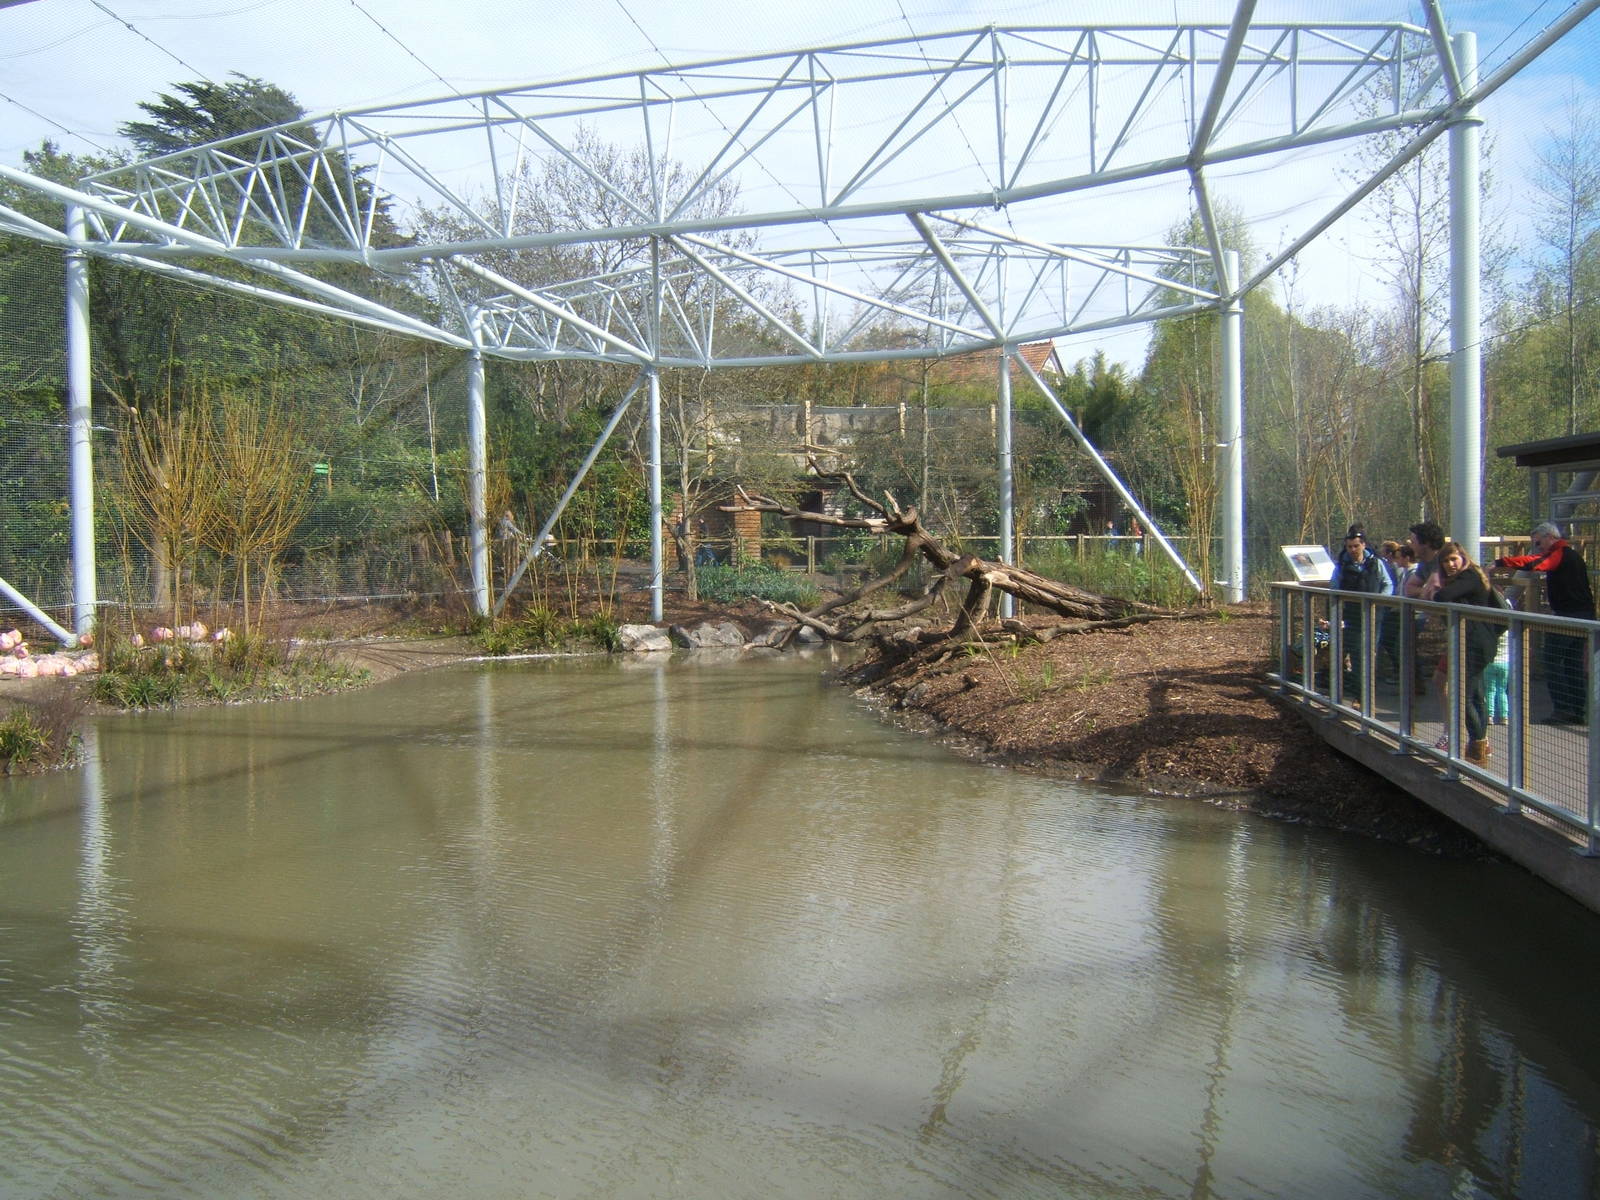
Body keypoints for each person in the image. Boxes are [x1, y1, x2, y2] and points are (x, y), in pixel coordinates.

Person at [1495, 520, 1596, 724]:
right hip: (1582, 614)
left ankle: (1563, 708)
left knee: (1551, 659)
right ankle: (1577, 710)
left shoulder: (1560, 555)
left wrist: (1501, 563)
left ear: (1550, 537)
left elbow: (1536, 564)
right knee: (1572, 663)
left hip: (1569, 616)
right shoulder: (1572, 555)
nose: (1538, 548)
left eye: (1539, 543)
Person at [1421, 541, 1502, 764]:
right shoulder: (1465, 578)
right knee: (1474, 693)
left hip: (1475, 642)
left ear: (1463, 558)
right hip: (1473, 641)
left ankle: (1477, 745)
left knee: (1464, 694)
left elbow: (1442, 597)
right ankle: (1480, 746)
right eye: (1445, 561)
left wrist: (1436, 584)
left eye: (1453, 559)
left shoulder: (1470, 577)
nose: (1450, 564)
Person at [1329, 523, 1392, 690]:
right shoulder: (1341, 566)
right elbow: (1334, 588)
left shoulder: (1376, 563)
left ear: (1364, 544)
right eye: (1349, 546)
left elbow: (1388, 584)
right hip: (1352, 615)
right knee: (1356, 652)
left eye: (1356, 546)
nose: (1353, 549)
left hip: (1373, 615)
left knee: (1371, 651)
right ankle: (1361, 691)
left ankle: (1368, 688)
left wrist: (1379, 601)